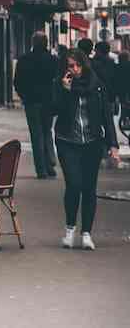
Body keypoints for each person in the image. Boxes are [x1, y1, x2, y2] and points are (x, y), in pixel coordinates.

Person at [54, 51, 120, 250]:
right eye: (70, 66)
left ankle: (86, 234)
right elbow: (52, 110)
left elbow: (106, 116)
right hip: (67, 141)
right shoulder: (61, 84)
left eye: (77, 66)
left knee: (89, 188)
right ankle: (70, 229)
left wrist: (113, 145)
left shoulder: (97, 86)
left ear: (84, 65)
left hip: (92, 142)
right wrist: (65, 90)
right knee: (74, 185)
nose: (74, 70)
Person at [14, 32, 59, 178]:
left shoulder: (24, 59)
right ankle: (50, 163)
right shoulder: (52, 60)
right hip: (48, 101)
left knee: (36, 134)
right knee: (47, 132)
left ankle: (41, 169)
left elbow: (17, 82)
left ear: (33, 43)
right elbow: (58, 81)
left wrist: (24, 96)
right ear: (46, 43)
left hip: (31, 102)